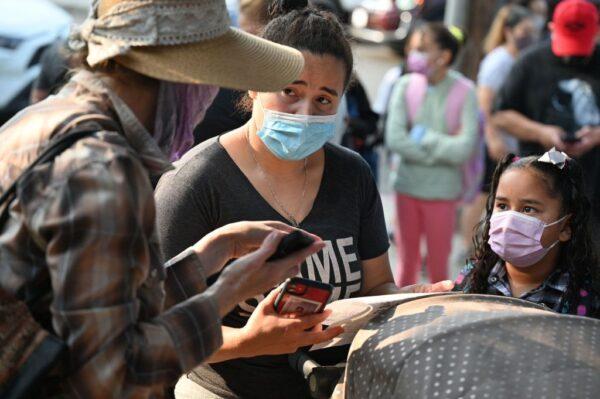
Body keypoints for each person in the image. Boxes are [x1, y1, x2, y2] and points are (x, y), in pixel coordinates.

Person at [0, 0, 316, 396]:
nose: (207, 103)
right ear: (177, 79)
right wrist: (227, 292)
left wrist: (210, 255)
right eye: (209, 81)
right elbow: (113, 375)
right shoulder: (101, 170)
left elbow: (101, 308)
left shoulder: (45, 117)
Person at [154, 2, 454, 398]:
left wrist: (409, 300)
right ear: (254, 83)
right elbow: (157, 330)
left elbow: (375, 285)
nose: (304, 112)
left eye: (324, 100)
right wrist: (248, 341)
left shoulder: (353, 174)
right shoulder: (195, 182)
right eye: (290, 91)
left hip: (334, 385)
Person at [492, 0, 600, 242]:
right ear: (551, 29)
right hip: (540, 186)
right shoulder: (530, 62)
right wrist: (541, 132)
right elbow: (500, 115)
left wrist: (596, 135)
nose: (572, 54)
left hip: (594, 193)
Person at [385, 22, 479, 286]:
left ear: (444, 56)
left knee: (439, 267)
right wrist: (441, 151)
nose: (412, 53)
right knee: (406, 264)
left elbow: (465, 148)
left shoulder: (465, 91)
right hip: (407, 188)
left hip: (442, 193)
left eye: (421, 49)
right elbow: (394, 138)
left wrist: (424, 138)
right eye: (413, 48)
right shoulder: (404, 85)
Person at [454, 149, 600, 318]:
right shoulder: (475, 276)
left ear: (565, 227)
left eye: (528, 209)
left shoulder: (585, 297)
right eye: (502, 206)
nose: (509, 220)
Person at [459, 5, 537, 257]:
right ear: (508, 30)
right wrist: (492, 137)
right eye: (524, 30)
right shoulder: (499, 60)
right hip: (493, 141)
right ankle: (466, 249)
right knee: (483, 194)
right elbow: (485, 103)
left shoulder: (518, 59)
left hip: (508, 141)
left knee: (493, 195)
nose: (529, 36)